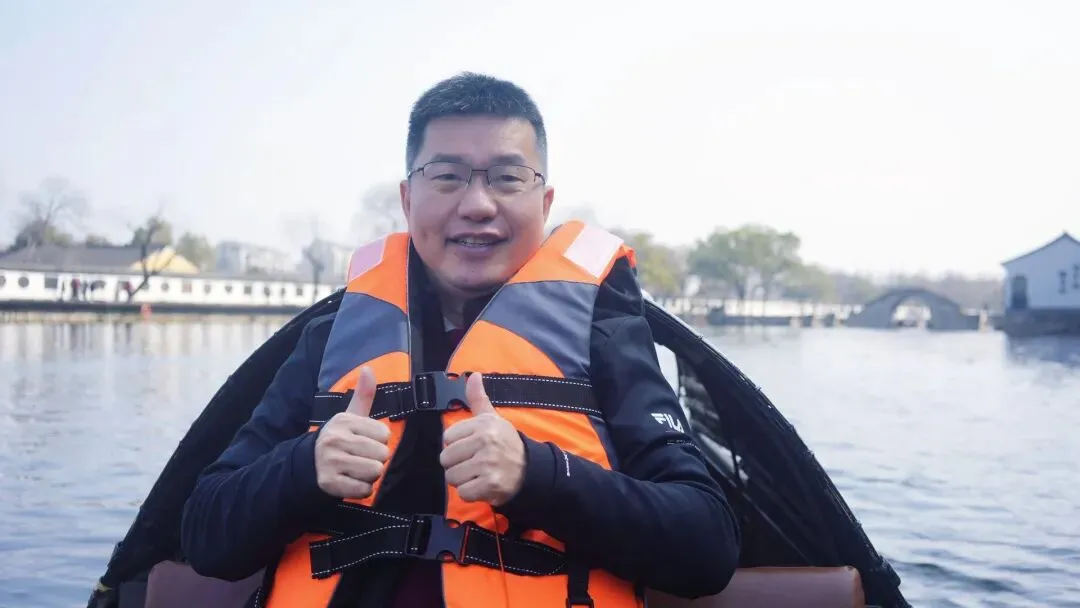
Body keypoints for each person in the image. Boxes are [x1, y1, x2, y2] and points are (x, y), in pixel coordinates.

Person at [180, 72, 740, 607]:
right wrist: (304, 467)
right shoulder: (329, 339)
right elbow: (205, 534)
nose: (477, 205)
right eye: (447, 176)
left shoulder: (606, 335)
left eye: (507, 177)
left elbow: (707, 545)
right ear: (407, 200)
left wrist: (539, 475)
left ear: (545, 204)